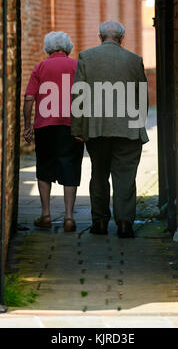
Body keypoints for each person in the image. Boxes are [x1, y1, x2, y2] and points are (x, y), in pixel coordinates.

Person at [71, 21, 149, 238]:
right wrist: (137, 122)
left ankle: (100, 223)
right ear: (122, 38)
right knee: (125, 178)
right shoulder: (134, 60)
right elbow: (142, 97)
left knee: (99, 175)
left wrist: (77, 128)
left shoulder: (86, 57)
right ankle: (124, 224)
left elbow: (78, 95)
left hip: (96, 129)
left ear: (100, 36)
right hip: (128, 130)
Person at [23, 31, 84, 232]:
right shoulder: (77, 66)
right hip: (71, 125)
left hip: (45, 125)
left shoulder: (40, 67)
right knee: (70, 166)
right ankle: (68, 217)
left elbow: (29, 98)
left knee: (44, 167)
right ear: (68, 47)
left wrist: (27, 126)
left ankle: (46, 214)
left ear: (48, 47)